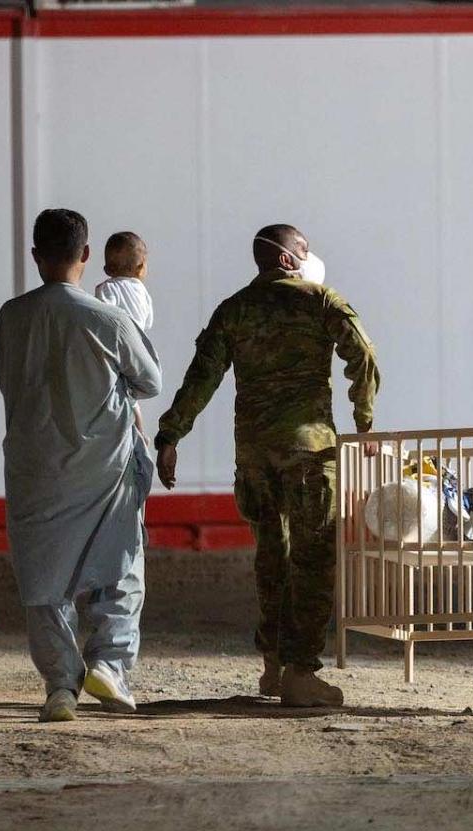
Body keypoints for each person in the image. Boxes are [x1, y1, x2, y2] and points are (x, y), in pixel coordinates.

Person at [155, 224, 380, 708]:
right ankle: (302, 671)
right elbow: (362, 354)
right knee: (314, 557)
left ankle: (273, 665)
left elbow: (201, 377)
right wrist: (363, 419)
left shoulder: (234, 310)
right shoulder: (319, 302)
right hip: (308, 453)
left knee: (270, 556)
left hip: (254, 455)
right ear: (284, 259)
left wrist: (171, 434)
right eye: (302, 252)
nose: (307, 260)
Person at [0, 209, 162, 723]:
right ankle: (109, 663)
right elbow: (149, 380)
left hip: (34, 468)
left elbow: (6, 378)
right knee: (122, 564)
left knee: (43, 577)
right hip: (102, 470)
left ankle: (60, 685)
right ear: (86, 256)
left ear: (36, 255)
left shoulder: (10, 317)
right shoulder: (107, 319)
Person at [94, 231, 154, 440]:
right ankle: (140, 432)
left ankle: (131, 431)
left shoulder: (107, 288)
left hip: (116, 350)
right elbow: (148, 322)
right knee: (132, 394)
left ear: (107, 269)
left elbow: (104, 314)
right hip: (138, 350)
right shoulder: (142, 291)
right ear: (141, 267)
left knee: (120, 392)